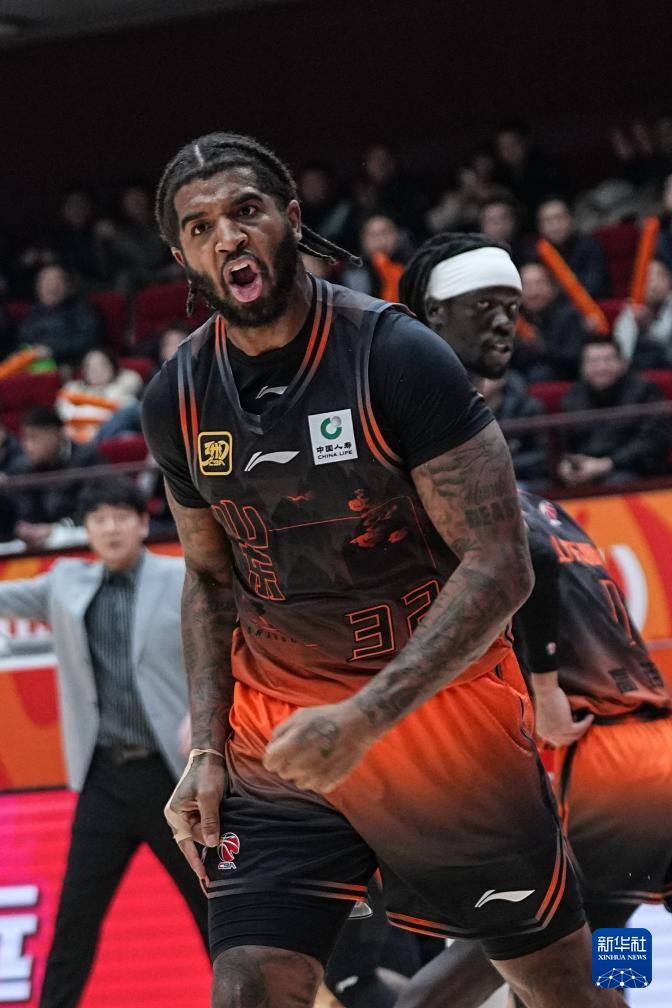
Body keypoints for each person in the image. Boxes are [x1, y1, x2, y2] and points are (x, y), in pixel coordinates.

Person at [142, 131, 620, 1008]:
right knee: (249, 986)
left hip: (443, 723)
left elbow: (504, 564)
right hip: (280, 733)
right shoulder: (177, 396)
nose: (229, 237)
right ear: (182, 256)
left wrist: (366, 718)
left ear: (292, 220)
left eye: (246, 211)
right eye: (201, 227)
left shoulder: (395, 355)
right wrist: (207, 748)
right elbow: (209, 579)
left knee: (562, 987)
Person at [392, 489, 672, 1008]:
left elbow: (535, 558)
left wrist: (544, 687)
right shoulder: (544, 507)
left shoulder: (456, 503)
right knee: (605, 929)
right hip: (652, 741)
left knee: (526, 952)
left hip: (608, 758)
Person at [0, 476, 208, 1007]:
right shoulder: (65, 583)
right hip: (104, 778)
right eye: (99, 519)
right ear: (86, 530)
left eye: (121, 516)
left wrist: (202, 716)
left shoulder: (180, 576)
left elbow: (227, 645)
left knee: (211, 909)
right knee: (76, 919)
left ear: (142, 522)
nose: (111, 528)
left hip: (172, 776)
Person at [557, 338, 670, 487]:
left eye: (608, 360)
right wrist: (567, 464)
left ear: (623, 363)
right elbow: (565, 445)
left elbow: (652, 440)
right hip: (587, 469)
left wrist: (608, 463)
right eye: (593, 362)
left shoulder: (644, 391)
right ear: (582, 367)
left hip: (631, 469)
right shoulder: (572, 399)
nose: (601, 367)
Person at [6, 405, 105, 550]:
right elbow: (24, 511)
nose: (28, 446)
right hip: (36, 543)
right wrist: (25, 527)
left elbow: (96, 508)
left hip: (78, 537)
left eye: (34, 438)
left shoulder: (88, 460)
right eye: (25, 439)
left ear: (56, 434)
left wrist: (55, 528)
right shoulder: (23, 468)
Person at [16, 263, 104, 368]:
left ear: (68, 287)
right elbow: (22, 342)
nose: (51, 286)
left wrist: (51, 350)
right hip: (34, 367)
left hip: (71, 365)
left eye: (57, 281)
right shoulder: (32, 314)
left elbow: (89, 341)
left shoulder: (83, 311)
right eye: (46, 281)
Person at [536, 196, 612, 300]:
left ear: (571, 219)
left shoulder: (590, 246)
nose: (555, 225)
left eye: (560, 218)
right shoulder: (536, 253)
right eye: (548, 220)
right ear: (540, 226)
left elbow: (594, 288)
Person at [613, 256, 672, 368]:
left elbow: (666, 341)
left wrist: (648, 326)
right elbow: (622, 348)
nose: (654, 285)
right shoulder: (633, 308)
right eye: (647, 278)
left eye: (660, 277)